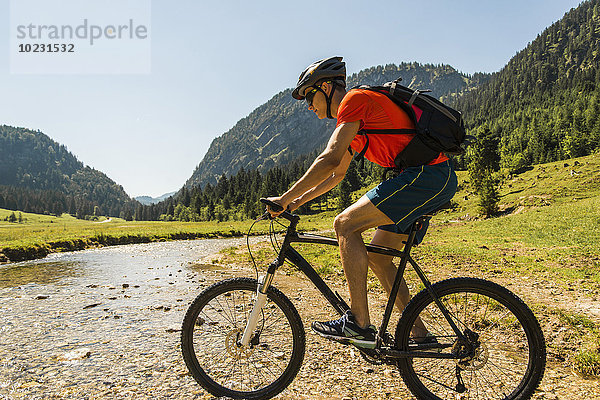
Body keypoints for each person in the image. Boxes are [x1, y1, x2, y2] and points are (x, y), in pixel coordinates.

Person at [266, 56, 457, 349]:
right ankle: (419, 335)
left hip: (425, 177)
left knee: (344, 224)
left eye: (309, 96)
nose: (308, 106)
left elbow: (328, 159)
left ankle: (357, 322)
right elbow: (337, 174)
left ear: (327, 87)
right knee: (379, 257)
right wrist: (295, 203)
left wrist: (284, 197)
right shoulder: (357, 125)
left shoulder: (354, 100)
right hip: (427, 179)